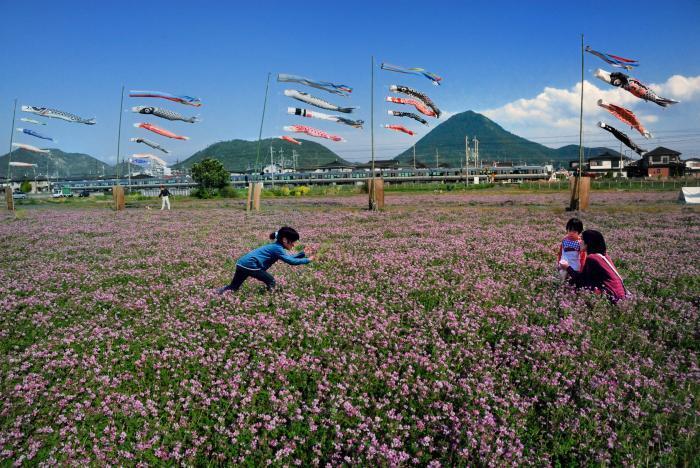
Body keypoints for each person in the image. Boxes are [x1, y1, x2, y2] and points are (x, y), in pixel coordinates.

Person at [217, 226, 312, 294]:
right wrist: (307, 260)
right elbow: (291, 261)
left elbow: (289, 258)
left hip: (241, 264)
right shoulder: (277, 249)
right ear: (284, 240)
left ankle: (217, 293)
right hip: (251, 266)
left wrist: (302, 254)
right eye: (293, 242)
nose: (294, 245)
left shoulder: (276, 247)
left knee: (233, 287)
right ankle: (271, 299)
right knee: (271, 281)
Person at [559, 229, 627, 303]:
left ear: (588, 243)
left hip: (611, 297)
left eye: (581, 239)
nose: (579, 242)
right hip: (621, 296)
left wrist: (567, 267)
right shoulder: (604, 256)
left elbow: (581, 281)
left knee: (572, 282)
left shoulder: (592, 258)